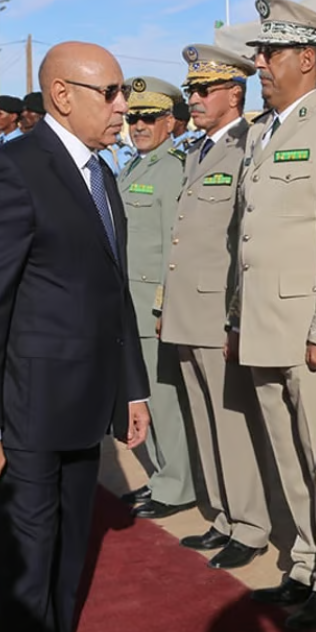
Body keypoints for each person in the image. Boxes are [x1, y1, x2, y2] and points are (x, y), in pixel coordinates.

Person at [0, 41, 151, 632]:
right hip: (26, 412)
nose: (125, 106)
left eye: (125, 93)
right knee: (27, 564)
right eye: (112, 92)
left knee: (68, 555)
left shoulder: (101, 173)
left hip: (87, 403)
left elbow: (112, 290)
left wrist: (132, 392)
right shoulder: (12, 171)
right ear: (63, 95)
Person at [229, 0, 316, 631]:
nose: (258, 63)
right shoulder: (263, 131)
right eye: (259, 52)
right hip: (262, 323)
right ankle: (307, 563)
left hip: (305, 329)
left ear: (307, 60)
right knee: (287, 454)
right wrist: (237, 319)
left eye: (270, 52)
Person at [159, 43, 272, 569]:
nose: (195, 99)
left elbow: (244, 238)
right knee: (203, 417)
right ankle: (223, 515)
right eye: (191, 91)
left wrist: (234, 315)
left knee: (230, 421)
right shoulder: (198, 150)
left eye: (205, 90)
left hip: (217, 311)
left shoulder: (250, 146)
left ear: (235, 92)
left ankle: (250, 525)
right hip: (186, 307)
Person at [112, 76, 196, 519]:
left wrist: (165, 304)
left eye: (148, 117)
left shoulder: (172, 168)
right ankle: (163, 474)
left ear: (170, 122)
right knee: (144, 395)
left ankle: (176, 485)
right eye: (132, 118)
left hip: (151, 304)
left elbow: (172, 245)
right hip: (129, 301)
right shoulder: (133, 167)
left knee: (163, 400)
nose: (138, 125)